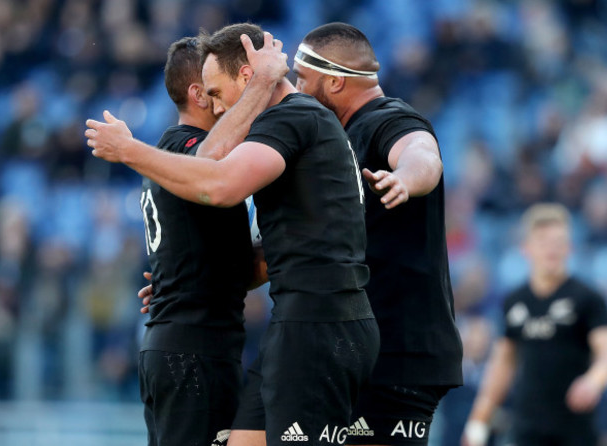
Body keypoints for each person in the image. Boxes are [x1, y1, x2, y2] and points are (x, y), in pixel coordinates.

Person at [85, 23, 380, 446]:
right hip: (296, 323)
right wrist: (190, 280)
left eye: (219, 94)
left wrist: (128, 150)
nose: (219, 109)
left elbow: (218, 184)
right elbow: (283, 246)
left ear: (248, 76)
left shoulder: (292, 118)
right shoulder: (288, 127)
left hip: (322, 325)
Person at [291, 23, 463, 445]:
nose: (295, 90)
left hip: (398, 349)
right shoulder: (339, 136)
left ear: (334, 80)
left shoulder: (389, 118)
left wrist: (404, 179)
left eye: (302, 79)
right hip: (359, 348)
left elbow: (424, 154)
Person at [132, 35, 277, 446]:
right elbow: (211, 163)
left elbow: (230, 262)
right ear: (197, 94)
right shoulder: (191, 154)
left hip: (180, 343)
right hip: (193, 352)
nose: (225, 95)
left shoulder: (170, 159)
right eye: (214, 86)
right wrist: (263, 84)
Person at [462, 203, 607, 446]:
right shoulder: (515, 302)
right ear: (526, 248)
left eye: (558, 242)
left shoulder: (588, 298)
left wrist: (594, 381)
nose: (551, 249)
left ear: (569, 247)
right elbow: (503, 363)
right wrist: (478, 420)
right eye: (543, 241)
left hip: (577, 429)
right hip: (528, 428)